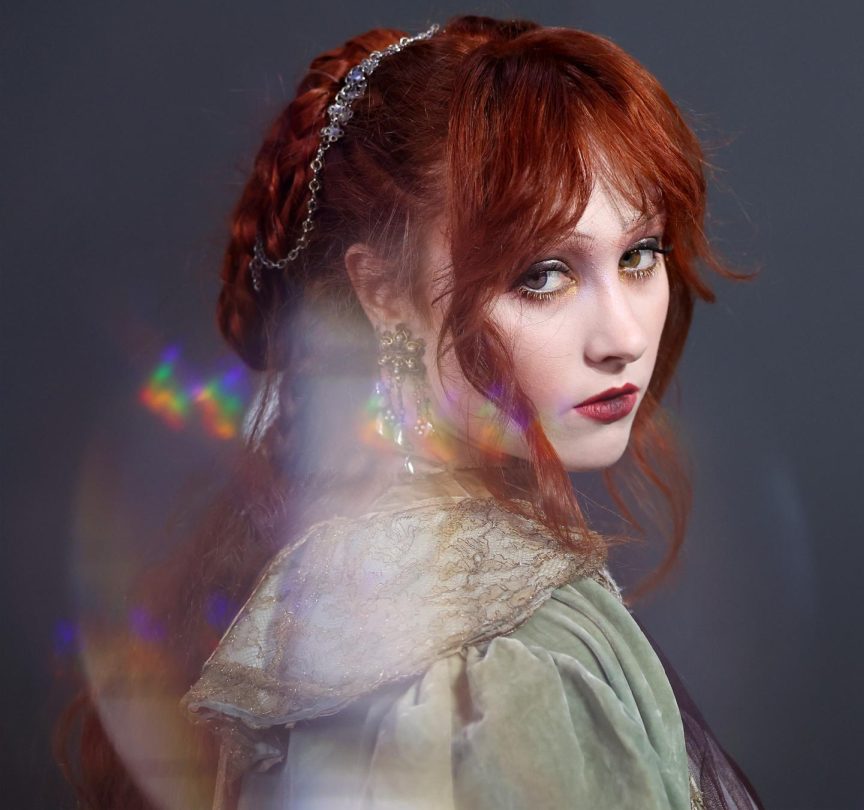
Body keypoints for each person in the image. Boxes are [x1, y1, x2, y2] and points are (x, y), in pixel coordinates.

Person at [58, 14, 763, 809]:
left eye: (641, 255)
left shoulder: (328, 590)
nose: (624, 337)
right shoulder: (506, 670)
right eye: (541, 275)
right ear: (382, 292)